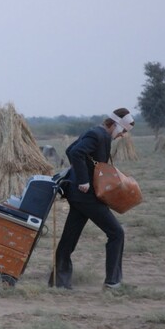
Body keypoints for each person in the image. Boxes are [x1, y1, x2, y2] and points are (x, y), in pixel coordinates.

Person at [50, 108, 134, 290]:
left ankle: (59, 282)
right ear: (115, 125)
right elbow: (75, 153)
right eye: (124, 131)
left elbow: (69, 149)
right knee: (116, 233)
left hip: (79, 197)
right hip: (86, 197)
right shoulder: (98, 135)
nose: (123, 135)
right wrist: (83, 180)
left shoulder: (95, 133)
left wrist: (83, 174)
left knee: (69, 239)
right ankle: (113, 282)